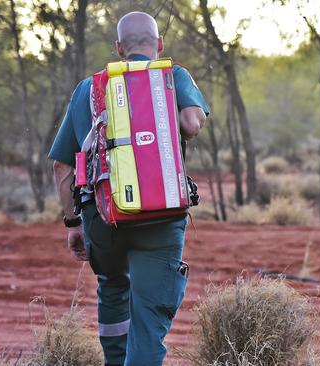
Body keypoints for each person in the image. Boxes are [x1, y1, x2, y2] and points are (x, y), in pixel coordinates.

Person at [48, 12, 207, 366]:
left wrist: (73, 224)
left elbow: (62, 165)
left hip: (104, 219)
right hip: (161, 219)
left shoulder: (89, 88)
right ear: (159, 45)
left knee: (113, 289)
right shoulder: (174, 76)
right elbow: (191, 125)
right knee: (149, 324)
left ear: (119, 48)